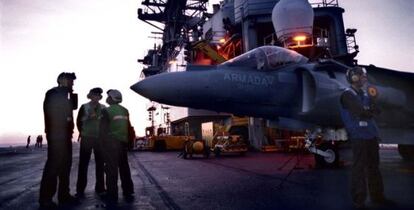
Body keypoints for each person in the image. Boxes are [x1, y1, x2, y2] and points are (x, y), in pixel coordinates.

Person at [340, 66, 394, 209]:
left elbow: (376, 110)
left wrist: (369, 109)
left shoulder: (364, 95)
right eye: (361, 76)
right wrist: (369, 110)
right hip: (359, 136)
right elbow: (361, 112)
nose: (364, 78)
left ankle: (378, 196)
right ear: (354, 78)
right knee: (359, 168)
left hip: (370, 135)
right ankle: (359, 201)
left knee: (374, 167)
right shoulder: (347, 94)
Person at [39, 72, 78, 209]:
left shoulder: (65, 94)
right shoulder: (54, 93)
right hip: (56, 134)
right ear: (61, 80)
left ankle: (64, 195)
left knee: (66, 165)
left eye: (73, 81)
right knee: (54, 165)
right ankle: (45, 199)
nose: (72, 83)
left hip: (66, 134)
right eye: (70, 80)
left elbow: (72, 109)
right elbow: (54, 112)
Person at [100, 89, 134, 204]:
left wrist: (102, 146)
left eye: (108, 96)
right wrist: (129, 143)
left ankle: (112, 195)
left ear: (112, 98)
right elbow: (129, 128)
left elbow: (102, 130)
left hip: (111, 143)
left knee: (111, 170)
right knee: (124, 167)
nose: (107, 98)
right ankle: (128, 190)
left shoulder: (106, 111)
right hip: (122, 143)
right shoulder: (125, 110)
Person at [75, 87, 106, 197]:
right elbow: (78, 121)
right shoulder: (84, 107)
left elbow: (105, 123)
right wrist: (82, 132)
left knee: (100, 165)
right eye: (94, 95)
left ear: (99, 97)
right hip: (86, 138)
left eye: (98, 95)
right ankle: (80, 189)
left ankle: (100, 188)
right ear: (90, 96)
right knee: (83, 164)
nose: (96, 97)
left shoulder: (103, 108)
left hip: (99, 139)